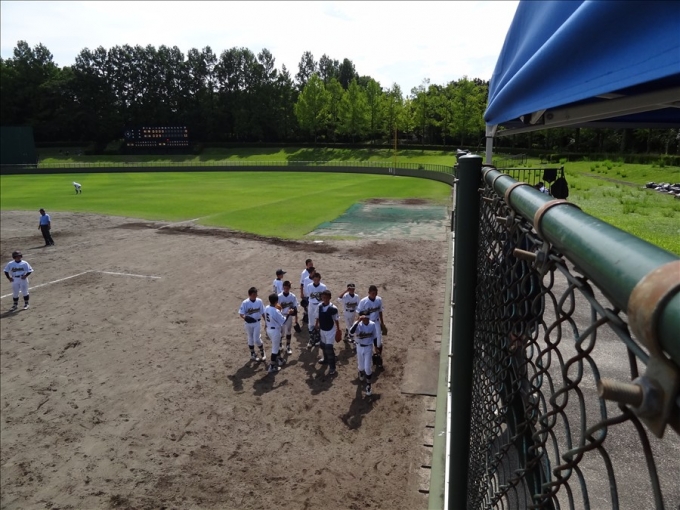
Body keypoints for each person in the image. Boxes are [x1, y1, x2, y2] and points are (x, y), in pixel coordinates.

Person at [264, 293, 295, 374]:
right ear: (276, 301)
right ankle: (272, 366)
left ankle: (279, 360)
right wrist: (289, 313)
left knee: (276, 345)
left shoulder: (266, 307)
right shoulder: (276, 311)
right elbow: (283, 321)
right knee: (274, 349)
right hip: (275, 331)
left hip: (269, 329)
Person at [349, 314, 379, 396]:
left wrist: (376, 347)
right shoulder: (357, 324)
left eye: (367, 317)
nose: (365, 319)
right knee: (361, 367)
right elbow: (351, 332)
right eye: (364, 317)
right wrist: (358, 321)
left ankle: (368, 386)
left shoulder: (372, 324)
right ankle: (360, 372)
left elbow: (375, 337)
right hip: (359, 347)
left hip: (368, 347)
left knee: (367, 368)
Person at [357, 285, 386, 368]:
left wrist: (382, 323)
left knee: (379, 341)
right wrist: (359, 324)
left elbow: (380, 311)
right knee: (368, 340)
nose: (374, 295)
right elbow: (359, 313)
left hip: (376, 322)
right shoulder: (363, 301)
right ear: (369, 293)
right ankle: (369, 358)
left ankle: (378, 357)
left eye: (375, 293)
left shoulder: (379, 300)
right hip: (367, 323)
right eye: (372, 293)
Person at [314, 290, 341, 375]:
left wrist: (338, 329)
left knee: (329, 348)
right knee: (323, 346)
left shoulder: (333, 308)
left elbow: (336, 319)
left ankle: (332, 367)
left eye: (327, 298)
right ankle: (325, 359)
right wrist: (316, 324)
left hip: (330, 331)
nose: (325, 299)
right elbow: (317, 317)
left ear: (330, 298)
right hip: (322, 329)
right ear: (322, 297)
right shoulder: (319, 306)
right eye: (323, 297)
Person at [238, 287, 266, 362]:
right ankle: (252, 354)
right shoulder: (245, 302)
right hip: (248, 324)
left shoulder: (259, 301)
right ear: (249, 295)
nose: (255, 295)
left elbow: (263, 312)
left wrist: (266, 322)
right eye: (254, 294)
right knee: (250, 338)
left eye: (256, 294)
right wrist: (245, 317)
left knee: (256, 339)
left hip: (257, 322)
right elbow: (241, 313)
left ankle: (262, 351)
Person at [305, 271, 326, 349]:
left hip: (319, 305)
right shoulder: (309, 286)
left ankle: (318, 339)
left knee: (319, 323)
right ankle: (311, 339)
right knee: (311, 323)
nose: (316, 281)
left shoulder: (323, 287)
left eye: (317, 279)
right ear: (313, 279)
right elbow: (308, 296)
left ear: (320, 279)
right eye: (315, 279)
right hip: (311, 305)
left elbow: (325, 298)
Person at [278, 280, 300, 355]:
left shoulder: (292, 296)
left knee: (288, 331)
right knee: (281, 332)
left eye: (287, 288)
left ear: (289, 288)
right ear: (283, 287)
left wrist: (293, 309)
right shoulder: (279, 296)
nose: (286, 290)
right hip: (281, 316)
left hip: (289, 316)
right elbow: (276, 307)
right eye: (284, 288)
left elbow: (296, 305)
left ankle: (288, 346)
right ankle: (280, 344)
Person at [338, 283, 361, 347]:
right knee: (350, 326)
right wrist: (346, 291)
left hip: (353, 313)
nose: (352, 290)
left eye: (353, 289)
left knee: (350, 324)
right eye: (350, 289)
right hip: (346, 312)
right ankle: (353, 340)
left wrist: (358, 314)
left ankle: (346, 336)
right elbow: (339, 298)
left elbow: (358, 305)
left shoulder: (356, 296)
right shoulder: (345, 296)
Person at [299, 259, 314, 323]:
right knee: (306, 305)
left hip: (312, 292)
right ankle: (306, 317)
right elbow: (301, 284)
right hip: (306, 293)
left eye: (312, 264)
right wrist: (301, 293)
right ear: (306, 265)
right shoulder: (304, 273)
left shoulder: (313, 271)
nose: (311, 265)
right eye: (310, 264)